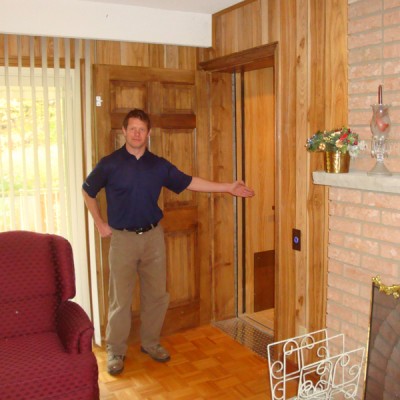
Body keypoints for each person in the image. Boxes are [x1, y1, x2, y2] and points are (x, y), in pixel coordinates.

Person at [82, 108, 255, 375]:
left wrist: (228, 187)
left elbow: (190, 182)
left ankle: (150, 343)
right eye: (133, 129)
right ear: (124, 132)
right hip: (123, 240)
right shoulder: (110, 163)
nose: (137, 133)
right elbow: (87, 190)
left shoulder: (158, 165)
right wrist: (99, 222)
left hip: (153, 238)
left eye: (142, 129)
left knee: (157, 296)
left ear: (149, 134)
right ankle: (116, 350)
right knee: (120, 299)